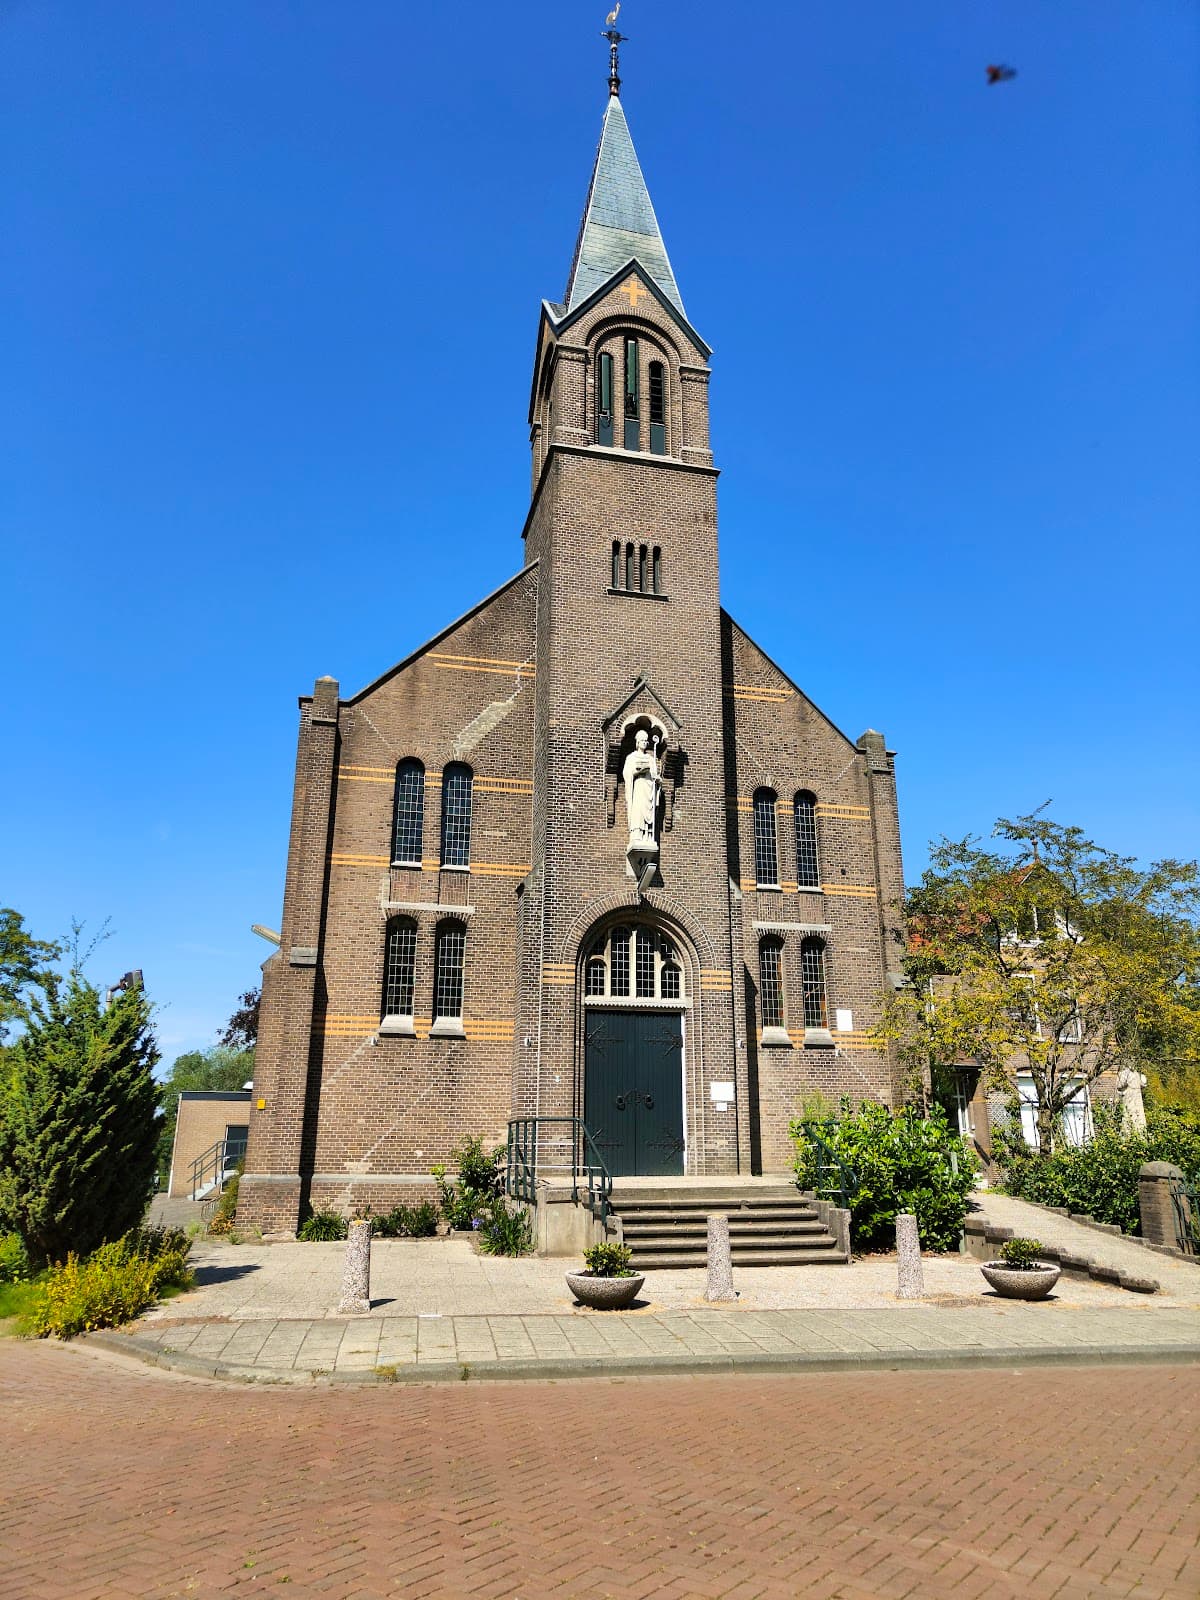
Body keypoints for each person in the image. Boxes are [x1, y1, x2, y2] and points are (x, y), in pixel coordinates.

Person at [622, 730, 658, 847]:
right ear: (637, 742)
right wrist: (637, 772)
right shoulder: (631, 757)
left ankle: (647, 835)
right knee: (638, 811)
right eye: (642, 740)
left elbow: (654, 774)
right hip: (638, 787)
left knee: (647, 811)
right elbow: (627, 773)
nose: (644, 742)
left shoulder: (650, 758)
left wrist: (657, 779)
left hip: (648, 788)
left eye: (645, 741)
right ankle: (637, 834)